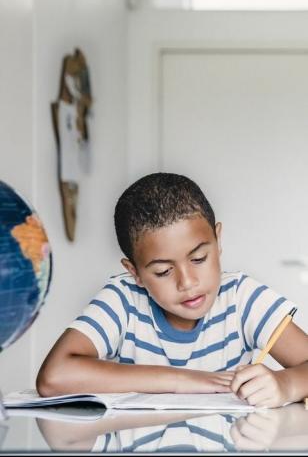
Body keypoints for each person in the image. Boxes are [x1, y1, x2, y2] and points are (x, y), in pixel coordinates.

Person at [36, 173, 308, 407]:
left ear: (218, 240)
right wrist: (184, 379)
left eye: (199, 258)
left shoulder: (242, 298)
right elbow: (54, 377)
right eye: (163, 271)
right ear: (135, 273)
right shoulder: (123, 299)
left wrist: (285, 385)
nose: (187, 282)